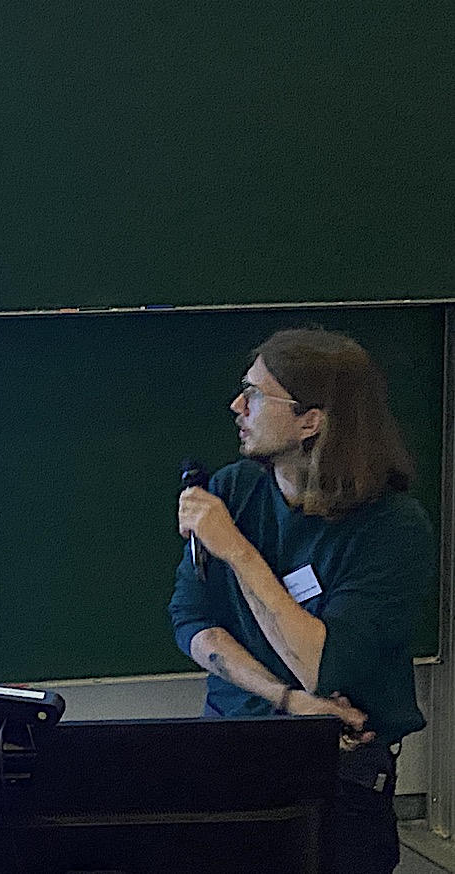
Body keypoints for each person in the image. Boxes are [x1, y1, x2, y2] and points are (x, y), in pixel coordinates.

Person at [168, 327, 436, 874]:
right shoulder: (234, 489)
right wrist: (286, 702)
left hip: (337, 775)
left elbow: (321, 667)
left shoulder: (392, 528)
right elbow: (192, 620)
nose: (237, 406)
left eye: (256, 394)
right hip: (229, 746)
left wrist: (237, 551)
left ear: (310, 421)